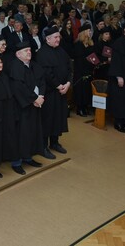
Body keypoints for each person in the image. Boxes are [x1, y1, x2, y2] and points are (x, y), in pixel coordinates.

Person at [8, 41, 46, 175]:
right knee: (20, 134)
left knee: (32, 132)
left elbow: (42, 81)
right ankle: (17, 162)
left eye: (30, 50)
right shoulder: (15, 67)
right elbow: (18, 87)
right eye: (26, 51)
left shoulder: (34, 65)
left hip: (35, 105)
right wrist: (34, 99)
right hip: (21, 107)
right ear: (18, 54)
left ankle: (28, 157)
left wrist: (41, 95)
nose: (29, 52)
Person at [36, 27, 71, 158]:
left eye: (58, 37)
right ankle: (44, 146)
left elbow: (69, 68)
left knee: (59, 117)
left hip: (61, 91)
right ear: (48, 39)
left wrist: (67, 83)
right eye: (55, 37)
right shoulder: (42, 53)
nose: (58, 39)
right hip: (50, 92)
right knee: (48, 118)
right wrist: (58, 85)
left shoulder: (61, 51)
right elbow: (46, 73)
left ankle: (55, 142)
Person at [72, 24, 95, 117]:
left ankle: (85, 106)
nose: (90, 32)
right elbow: (80, 59)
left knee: (87, 90)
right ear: (84, 32)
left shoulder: (90, 43)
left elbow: (93, 56)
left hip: (89, 70)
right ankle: (79, 108)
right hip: (80, 71)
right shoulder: (78, 44)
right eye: (89, 31)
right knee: (80, 90)